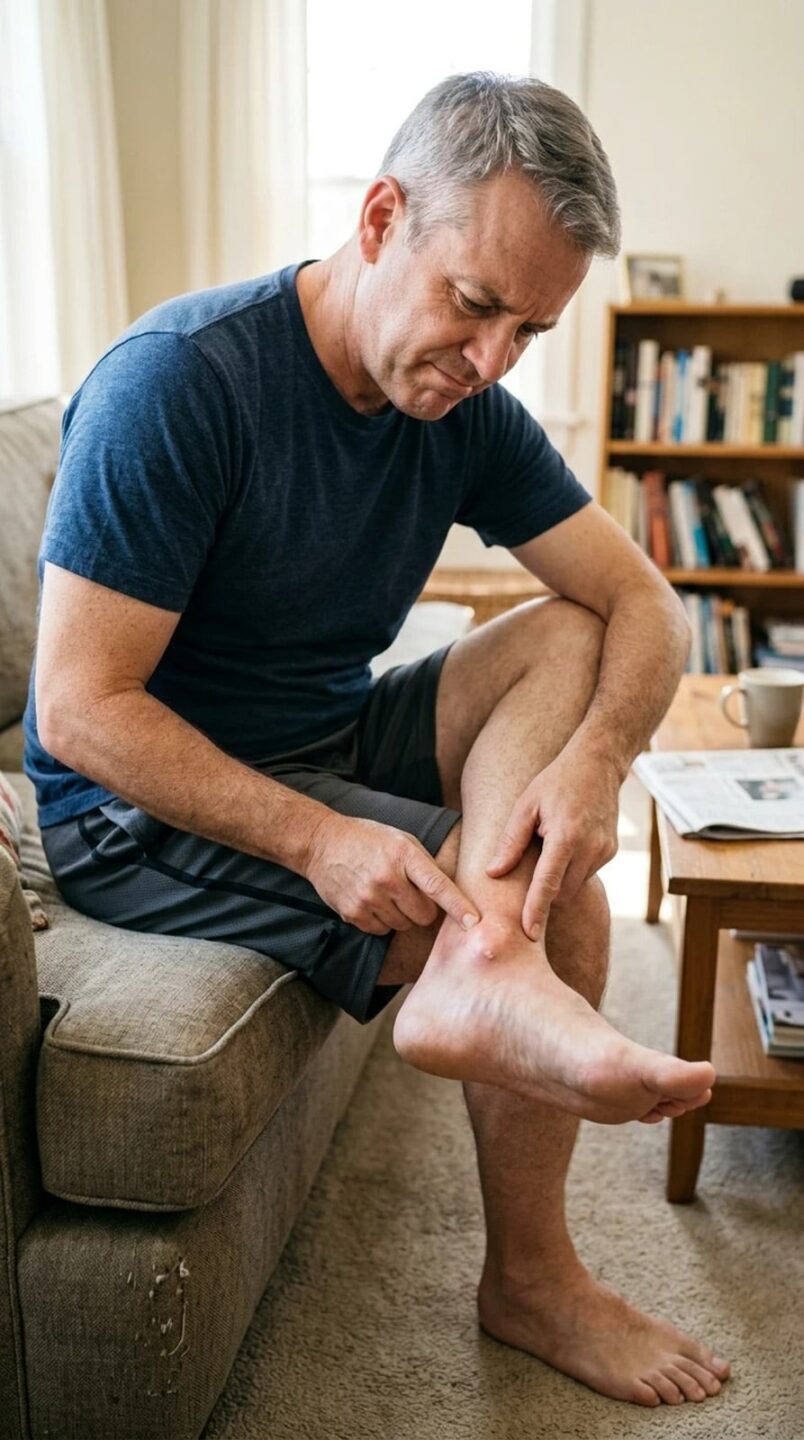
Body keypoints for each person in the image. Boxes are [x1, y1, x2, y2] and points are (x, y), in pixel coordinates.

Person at [24, 73, 731, 1407]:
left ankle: (489, 989)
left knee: (568, 638)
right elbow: (80, 710)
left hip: (327, 728)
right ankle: (529, 1246)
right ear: (382, 216)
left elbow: (642, 600)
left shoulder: (463, 412)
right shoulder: (181, 386)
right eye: (476, 303)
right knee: (554, 904)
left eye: (531, 328)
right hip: (139, 807)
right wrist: (318, 836)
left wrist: (594, 765)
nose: (492, 360)